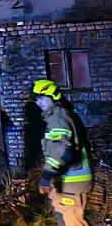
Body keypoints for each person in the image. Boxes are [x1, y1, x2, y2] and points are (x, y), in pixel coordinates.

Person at [31, 79, 93, 226]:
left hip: (71, 180)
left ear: (53, 97)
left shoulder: (58, 118)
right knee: (63, 217)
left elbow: (62, 150)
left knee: (72, 221)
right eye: (36, 99)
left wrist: (46, 176)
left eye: (41, 98)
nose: (38, 103)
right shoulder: (56, 117)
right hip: (65, 180)